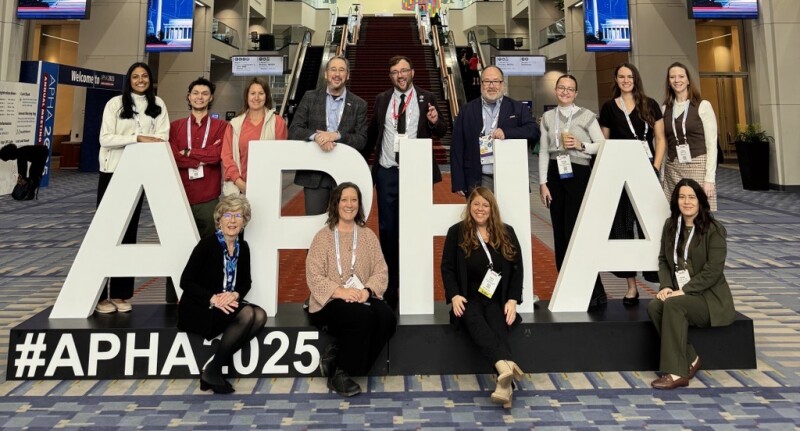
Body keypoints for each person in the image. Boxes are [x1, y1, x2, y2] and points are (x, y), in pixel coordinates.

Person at [364, 55, 448, 309]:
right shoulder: (381, 99)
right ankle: (391, 286)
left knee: (416, 229)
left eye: (403, 71)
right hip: (388, 171)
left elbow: (442, 129)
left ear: (412, 72)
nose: (400, 76)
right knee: (388, 232)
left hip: (417, 173)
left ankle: (414, 282)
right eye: (394, 72)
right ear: (390, 76)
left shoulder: (427, 97)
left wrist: (434, 121)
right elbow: (371, 134)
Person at [305, 182, 397, 397]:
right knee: (362, 317)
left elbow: (381, 270)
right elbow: (314, 275)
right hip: (329, 302)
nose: (349, 204)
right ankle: (340, 373)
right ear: (336, 204)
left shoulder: (367, 236)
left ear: (359, 204)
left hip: (361, 296)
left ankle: (340, 360)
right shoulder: (323, 237)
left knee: (387, 319)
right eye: (344, 200)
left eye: (354, 200)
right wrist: (341, 292)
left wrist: (367, 290)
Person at [96, 62, 170, 314]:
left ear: (150, 79)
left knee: (129, 234)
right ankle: (98, 296)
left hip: (139, 175)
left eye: (145, 76)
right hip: (113, 172)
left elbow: (163, 137)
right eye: (136, 77)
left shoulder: (158, 105)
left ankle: (120, 294)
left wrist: (145, 141)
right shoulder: (115, 104)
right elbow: (105, 138)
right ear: (129, 80)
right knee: (106, 234)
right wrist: (137, 138)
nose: (140, 80)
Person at [441, 187, 525, 408]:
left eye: (485, 205)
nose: (480, 209)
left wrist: (512, 300)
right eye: (476, 204)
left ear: (492, 209)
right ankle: (505, 367)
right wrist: (455, 295)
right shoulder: (456, 232)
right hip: (468, 297)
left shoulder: (507, 232)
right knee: (475, 320)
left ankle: (504, 384)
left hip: (498, 298)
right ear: (469, 207)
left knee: (498, 324)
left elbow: (518, 268)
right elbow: (447, 268)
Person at [647, 178, 735, 389]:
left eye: (692, 197)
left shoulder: (714, 230)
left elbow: (713, 271)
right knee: (655, 306)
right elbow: (663, 260)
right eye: (682, 197)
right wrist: (667, 286)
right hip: (683, 294)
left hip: (710, 300)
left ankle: (676, 373)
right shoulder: (671, 226)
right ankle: (691, 357)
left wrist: (683, 291)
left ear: (700, 201)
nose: (687, 202)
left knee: (673, 304)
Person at [178, 195, 266, 394]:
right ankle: (214, 370)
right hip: (201, 308)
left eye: (238, 215)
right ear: (219, 219)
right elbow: (185, 281)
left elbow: (246, 283)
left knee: (260, 315)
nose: (232, 220)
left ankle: (213, 367)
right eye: (228, 215)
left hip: (226, 304)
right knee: (249, 314)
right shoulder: (207, 246)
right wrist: (214, 298)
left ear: (244, 221)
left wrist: (234, 295)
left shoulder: (243, 248)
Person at [599, 63, 667, 305]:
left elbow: (660, 138)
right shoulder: (608, 107)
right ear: (616, 80)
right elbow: (604, 142)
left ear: (635, 79)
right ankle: (631, 286)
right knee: (622, 226)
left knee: (651, 224)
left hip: (647, 168)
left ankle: (662, 282)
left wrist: (655, 168)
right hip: (619, 172)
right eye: (621, 76)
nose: (626, 80)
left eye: (630, 76)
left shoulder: (650, 105)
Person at [538, 75, 607, 309]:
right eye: (562, 88)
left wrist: (581, 145)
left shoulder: (587, 116)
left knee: (577, 233)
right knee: (560, 233)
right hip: (556, 176)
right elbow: (544, 151)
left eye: (570, 89)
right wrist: (543, 182)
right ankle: (567, 286)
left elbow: (602, 143)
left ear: (576, 93)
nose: (565, 92)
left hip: (578, 174)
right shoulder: (548, 117)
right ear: (556, 90)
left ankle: (596, 291)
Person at [167, 77, 230, 303]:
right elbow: (172, 157)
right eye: (195, 93)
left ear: (211, 97)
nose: (200, 97)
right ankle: (174, 298)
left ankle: (208, 297)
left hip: (208, 197)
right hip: (180, 196)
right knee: (177, 247)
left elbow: (217, 156)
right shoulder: (175, 127)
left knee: (210, 249)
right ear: (188, 96)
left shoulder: (222, 127)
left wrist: (187, 153)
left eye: (204, 93)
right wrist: (197, 157)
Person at [289, 56, 368, 215]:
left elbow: (362, 139)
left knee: (344, 226)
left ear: (348, 75)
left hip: (345, 175)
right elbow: (294, 130)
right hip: (315, 176)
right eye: (333, 69)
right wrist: (316, 137)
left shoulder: (359, 104)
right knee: (313, 226)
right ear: (326, 74)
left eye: (341, 70)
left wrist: (336, 135)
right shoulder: (310, 97)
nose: (337, 74)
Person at [450, 65, 540, 195]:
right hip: (478, 177)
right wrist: (458, 182)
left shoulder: (518, 108)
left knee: (509, 215)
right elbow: (457, 146)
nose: (491, 86)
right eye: (487, 81)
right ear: (481, 84)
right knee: (481, 215)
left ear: (502, 84)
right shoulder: (467, 110)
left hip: (510, 176)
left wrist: (507, 133)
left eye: (496, 81)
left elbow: (534, 131)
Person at [661, 62, 718, 211]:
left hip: (698, 166)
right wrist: (661, 174)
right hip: (672, 168)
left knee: (698, 213)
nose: (676, 80)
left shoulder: (703, 105)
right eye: (672, 77)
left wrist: (709, 179)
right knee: (673, 213)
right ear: (668, 81)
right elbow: (664, 143)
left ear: (688, 80)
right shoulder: (665, 108)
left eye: (681, 76)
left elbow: (712, 144)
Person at [221, 77, 288, 196]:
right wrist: (239, 181)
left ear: (266, 96)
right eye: (252, 93)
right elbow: (227, 157)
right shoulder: (234, 124)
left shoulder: (277, 122)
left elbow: (281, 156)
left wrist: (262, 183)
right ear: (247, 96)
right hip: (238, 189)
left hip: (267, 187)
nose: (256, 98)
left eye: (261, 93)